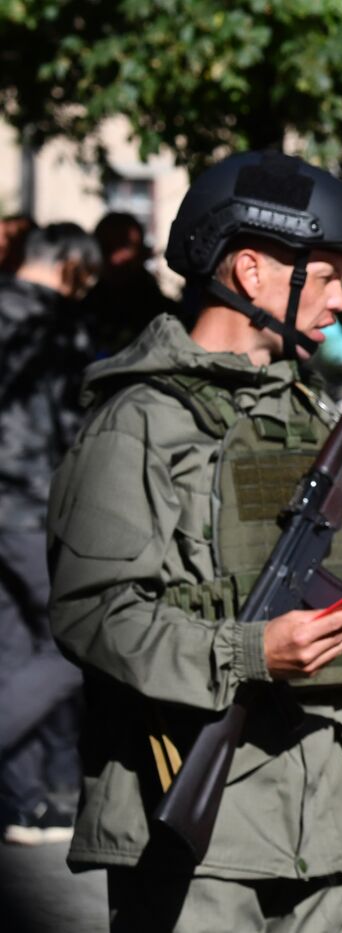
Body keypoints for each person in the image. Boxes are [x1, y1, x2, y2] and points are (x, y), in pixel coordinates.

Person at [47, 151, 342, 931]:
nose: (341, 298)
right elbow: (95, 614)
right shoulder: (139, 420)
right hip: (196, 831)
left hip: (320, 819)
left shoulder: (306, 416)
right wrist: (251, 653)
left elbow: (332, 570)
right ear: (252, 271)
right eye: (326, 275)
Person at [0, 223, 101, 845]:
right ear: (68, 266)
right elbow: (77, 422)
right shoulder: (57, 327)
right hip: (31, 501)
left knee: (13, 649)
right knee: (77, 638)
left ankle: (25, 803)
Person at [82, 211, 182, 356]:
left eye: (125, 247)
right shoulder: (81, 317)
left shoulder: (166, 317)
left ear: (142, 252)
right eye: (107, 248)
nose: (116, 258)